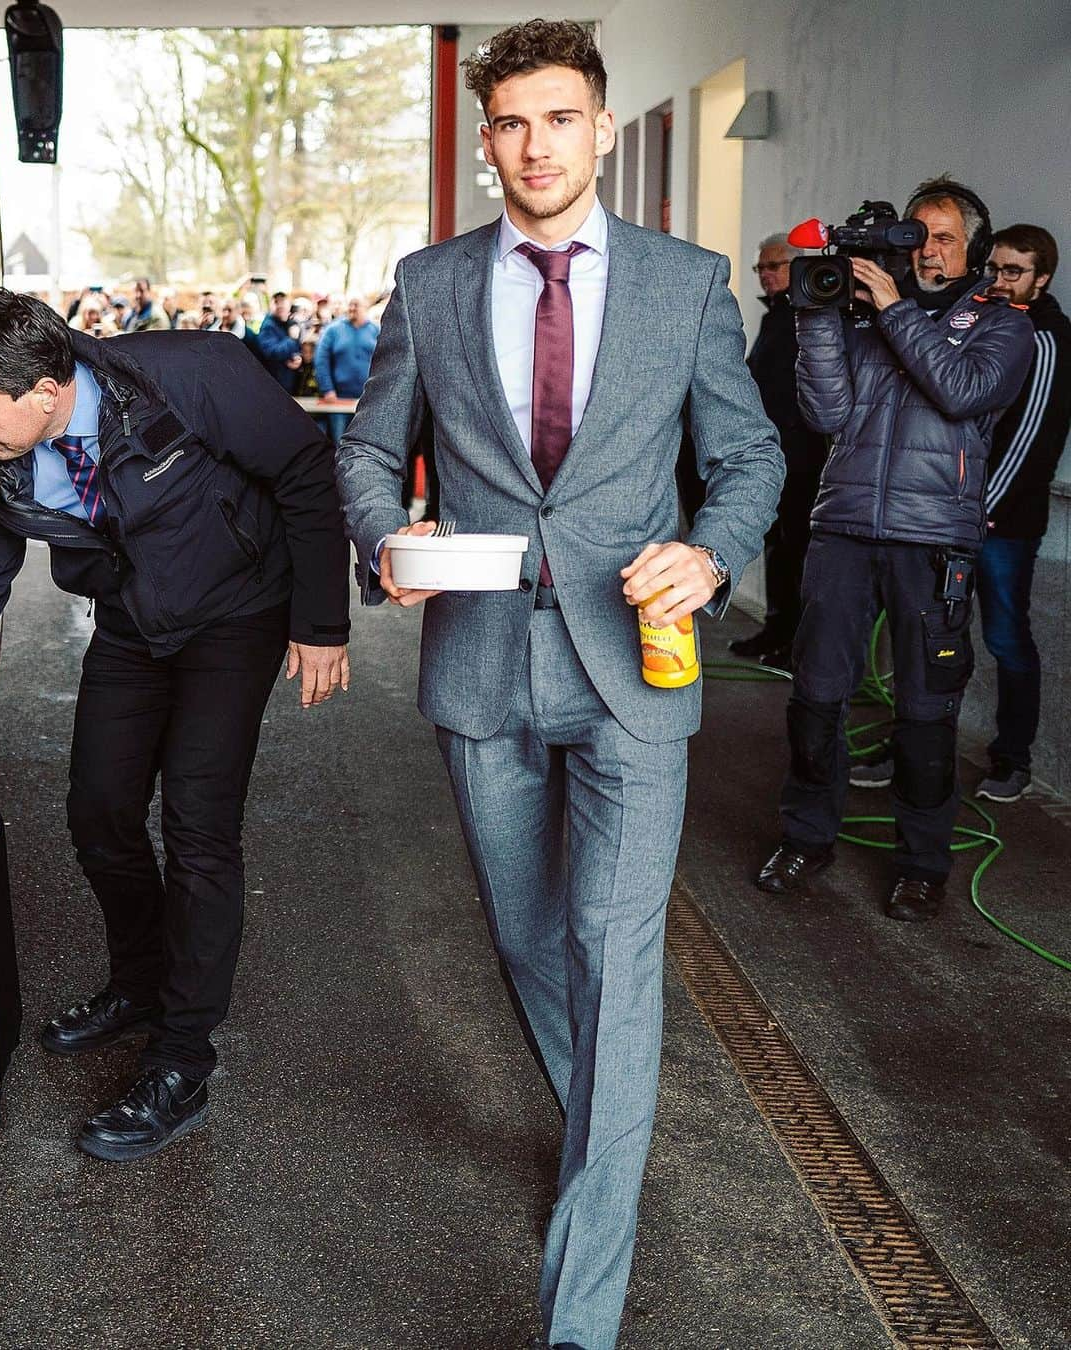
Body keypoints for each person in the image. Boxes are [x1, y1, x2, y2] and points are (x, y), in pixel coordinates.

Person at [336, 21, 783, 1350]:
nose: (537, 145)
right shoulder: (428, 285)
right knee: (532, 943)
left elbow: (748, 461)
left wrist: (709, 553)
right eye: (512, 124)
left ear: (600, 129)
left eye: (561, 119)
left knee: (613, 952)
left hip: (634, 675)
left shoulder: (689, 282)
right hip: (481, 671)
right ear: (490, 144)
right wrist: (384, 538)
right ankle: (611, 1122)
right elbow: (366, 457)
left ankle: (577, 1312)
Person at [0, 289, 350, 1162]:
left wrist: (322, 623)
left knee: (198, 825)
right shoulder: (5, 442)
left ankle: (183, 1055)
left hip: (237, 613)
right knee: (99, 813)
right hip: (129, 623)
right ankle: (141, 983)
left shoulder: (191, 376)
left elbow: (305, 472)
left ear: (45, 388)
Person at [756, 178, 1033, 921]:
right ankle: (805, 839)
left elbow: (961, 391)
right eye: (919, 233)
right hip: (843, 525)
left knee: (923, 710)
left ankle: (922, 865)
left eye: (942, 236)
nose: (927, 248)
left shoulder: (1002, 326)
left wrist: (895, 310)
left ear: (973, 248)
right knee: (815, 696)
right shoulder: (868, 319)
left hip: (932, 540)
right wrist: (819, 316)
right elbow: (827, 411)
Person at [973, 225, 1071, 801]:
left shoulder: (1045, 340)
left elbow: (1029, 440)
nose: (1000, 281)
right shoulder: (986, 320)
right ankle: (914, 747)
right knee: (934, 638)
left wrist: (976, 511)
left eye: (1014, 272)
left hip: (1001, 525)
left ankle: (1013, 760)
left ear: (1042, 279)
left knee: (1007, 637)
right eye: (994, 269)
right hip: (960, 515)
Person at [730, 232, 828, 669]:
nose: (766, 276)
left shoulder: (810, 316)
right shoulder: (775, 318)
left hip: (804, 457)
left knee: (799, 550)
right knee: (776, 547)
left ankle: (798, 644)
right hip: (773, 456)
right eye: (761, 268)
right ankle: (776, 627)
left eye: (775, 267)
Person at [314, 295, 379, 442]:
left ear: (365, 308)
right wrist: (327, 389)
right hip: (338, 399)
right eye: (350, 305)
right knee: (340, 442)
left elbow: (387, 361)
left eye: (356, 305)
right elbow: (321, 360)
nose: (352, 309)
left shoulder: (376, 330)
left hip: (368, 399)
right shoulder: (333, 330)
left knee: (366, 444)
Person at [255, 292, 303, 392]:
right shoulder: (268, 326)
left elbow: (296, 349)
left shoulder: (289, 324)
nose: (280, 305)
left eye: (283, 302)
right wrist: (292, 339)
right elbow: (272, 353)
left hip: (287, 385)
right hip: (275, 387)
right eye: (276, 302)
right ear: (271, 306)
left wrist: (297, 357)